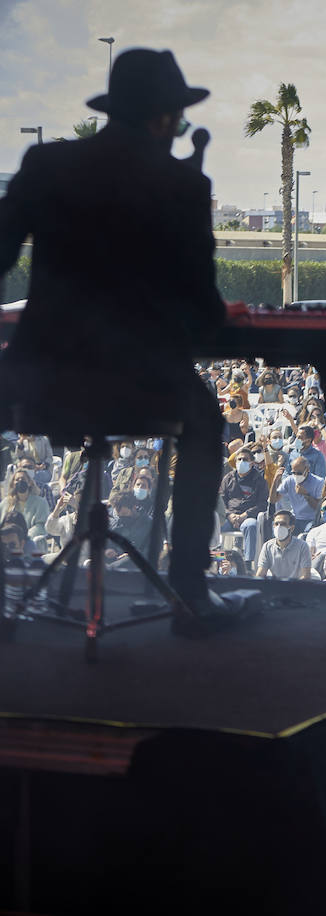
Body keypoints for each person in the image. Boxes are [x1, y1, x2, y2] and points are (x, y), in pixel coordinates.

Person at [0, 49, 227, 618]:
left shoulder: (45, 166)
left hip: (39, 379)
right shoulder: (181, 187)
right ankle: (190, 592)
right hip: (140, 388)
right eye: (176, 120)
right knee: (205, 420)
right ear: (161, 119)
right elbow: (203, 313)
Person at [256, 510, 311, 580]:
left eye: (283, 524)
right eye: (276, 524)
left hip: (296, 587)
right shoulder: (267, 546)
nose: (278, 527)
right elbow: (260, 574)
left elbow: (306, 576)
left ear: (292, 528)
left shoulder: (303, 546)